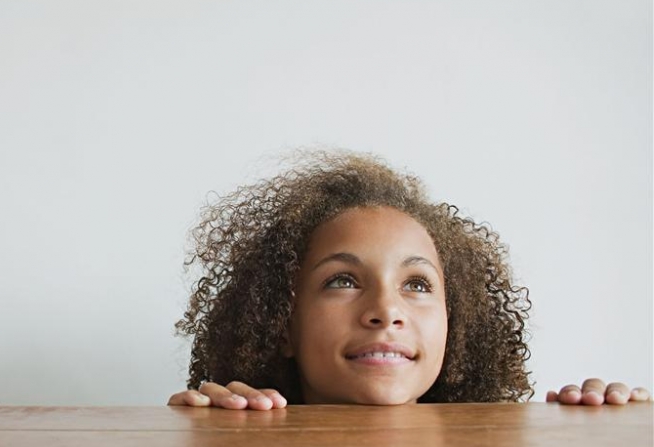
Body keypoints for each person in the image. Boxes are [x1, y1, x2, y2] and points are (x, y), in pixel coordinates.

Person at [169, 151, 649, 410]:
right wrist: (209, 438)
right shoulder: (232, 438)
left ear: (451, 324)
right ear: (284, 324)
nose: (387, 310)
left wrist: (612, 425)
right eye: (342, 280)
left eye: (417, 284)